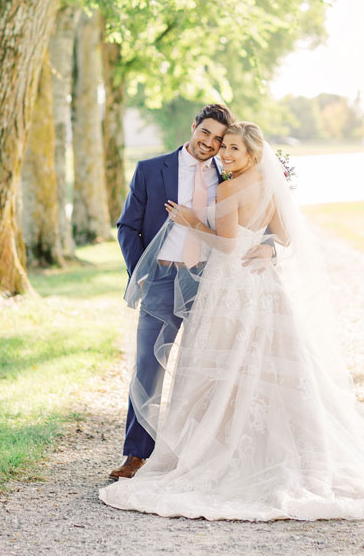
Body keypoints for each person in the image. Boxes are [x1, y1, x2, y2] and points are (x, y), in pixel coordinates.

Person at [101, 122, 364, 520]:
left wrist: (213, 230)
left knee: (222, 368)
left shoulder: (226, 182)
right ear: (195, 130)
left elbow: (235, 243)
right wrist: (261, 251)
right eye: (216, 142)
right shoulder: (188, 173)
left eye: (230, 146)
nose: (220, 149)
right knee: (207, 367)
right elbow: (278, 234)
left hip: (225, 285)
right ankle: (144, 453)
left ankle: (215, 453)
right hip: (225, 283)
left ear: (250, 154)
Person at [109, 105, 274, 480]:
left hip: (211, 282)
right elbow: (127, 226)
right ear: (194, 127)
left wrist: (273, 248)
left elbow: (259, 216)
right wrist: (141, 273)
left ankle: (201, 456)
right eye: (206, 134)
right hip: (163, 280)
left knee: (207, 370)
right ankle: (136, 455)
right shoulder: (151, 170)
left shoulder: (232, 172)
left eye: (219, 140)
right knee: (148, 367)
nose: (211, 144)